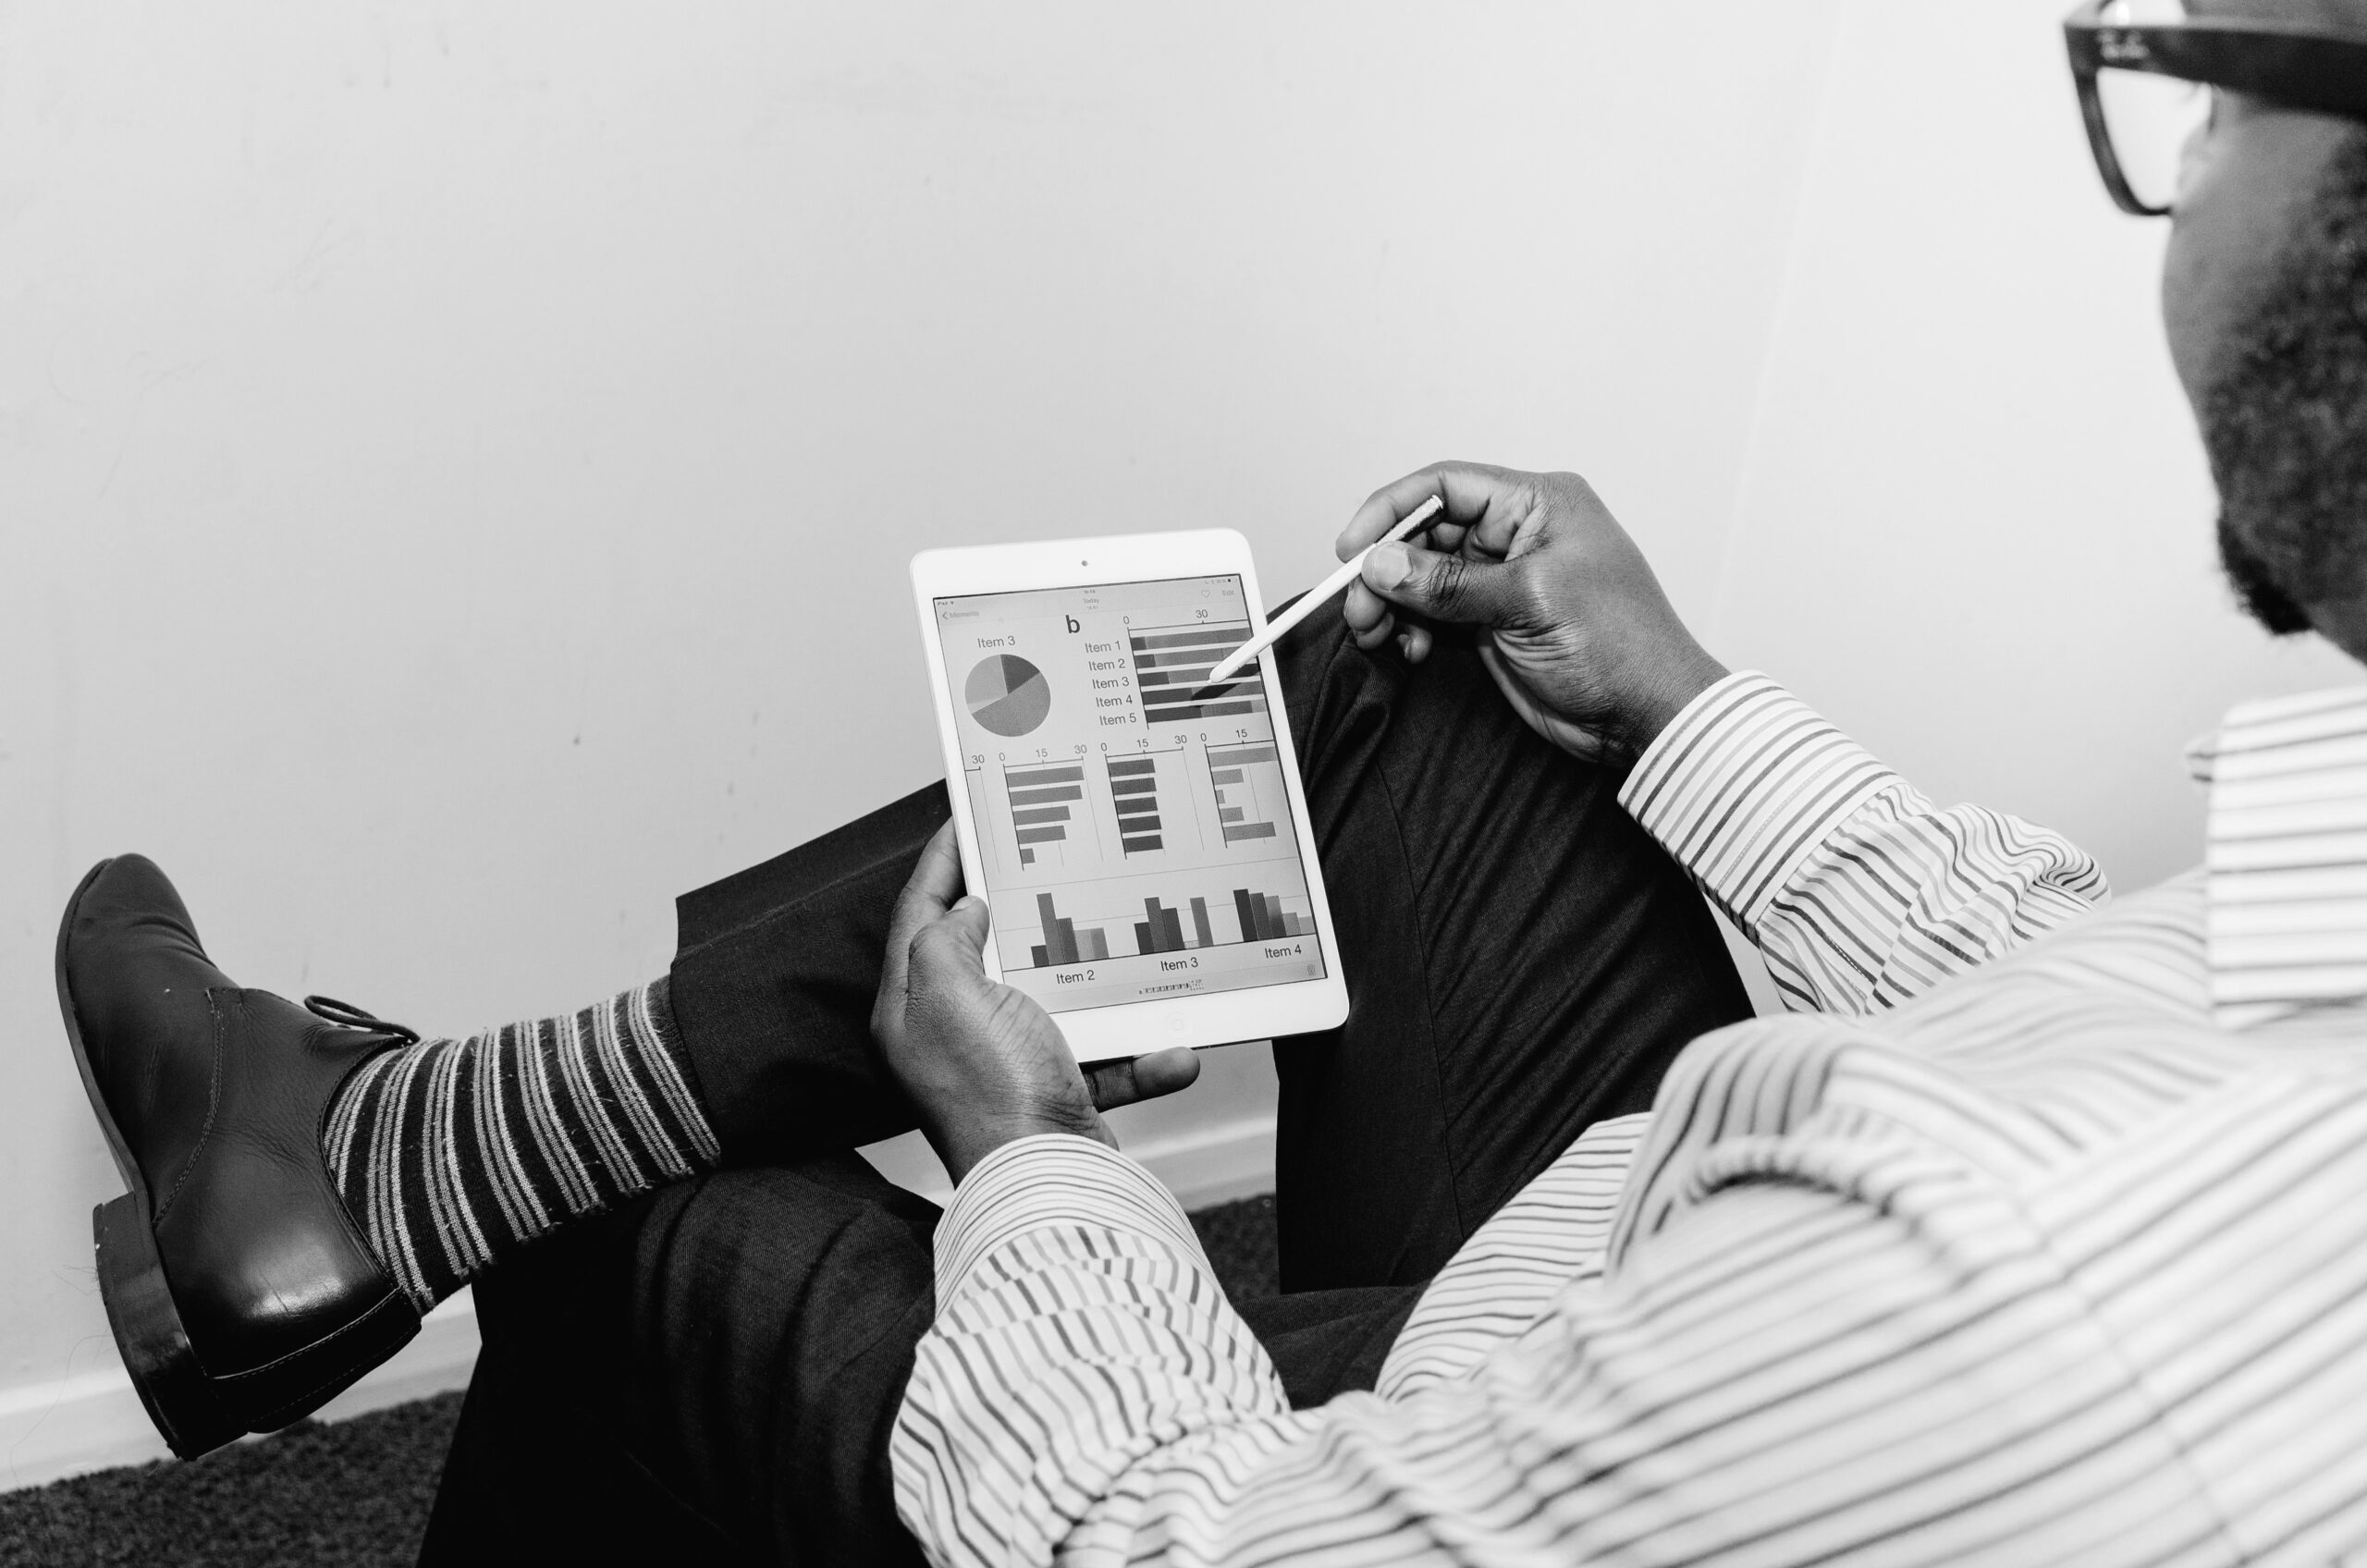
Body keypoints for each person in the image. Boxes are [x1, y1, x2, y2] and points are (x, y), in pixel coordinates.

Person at [48, 0, 2367, 1561]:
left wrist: (1034, 1158)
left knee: (661, 1230)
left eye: (2201, 74)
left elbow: (1176, 1539)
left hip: (1416, 1448)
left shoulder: (2040, 1288)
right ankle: (363, 1157)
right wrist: (1671, 696)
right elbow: (2068, 989)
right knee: (1392, 677)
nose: (2184, 163)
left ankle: (402, 1161)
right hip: (1652, 1268)